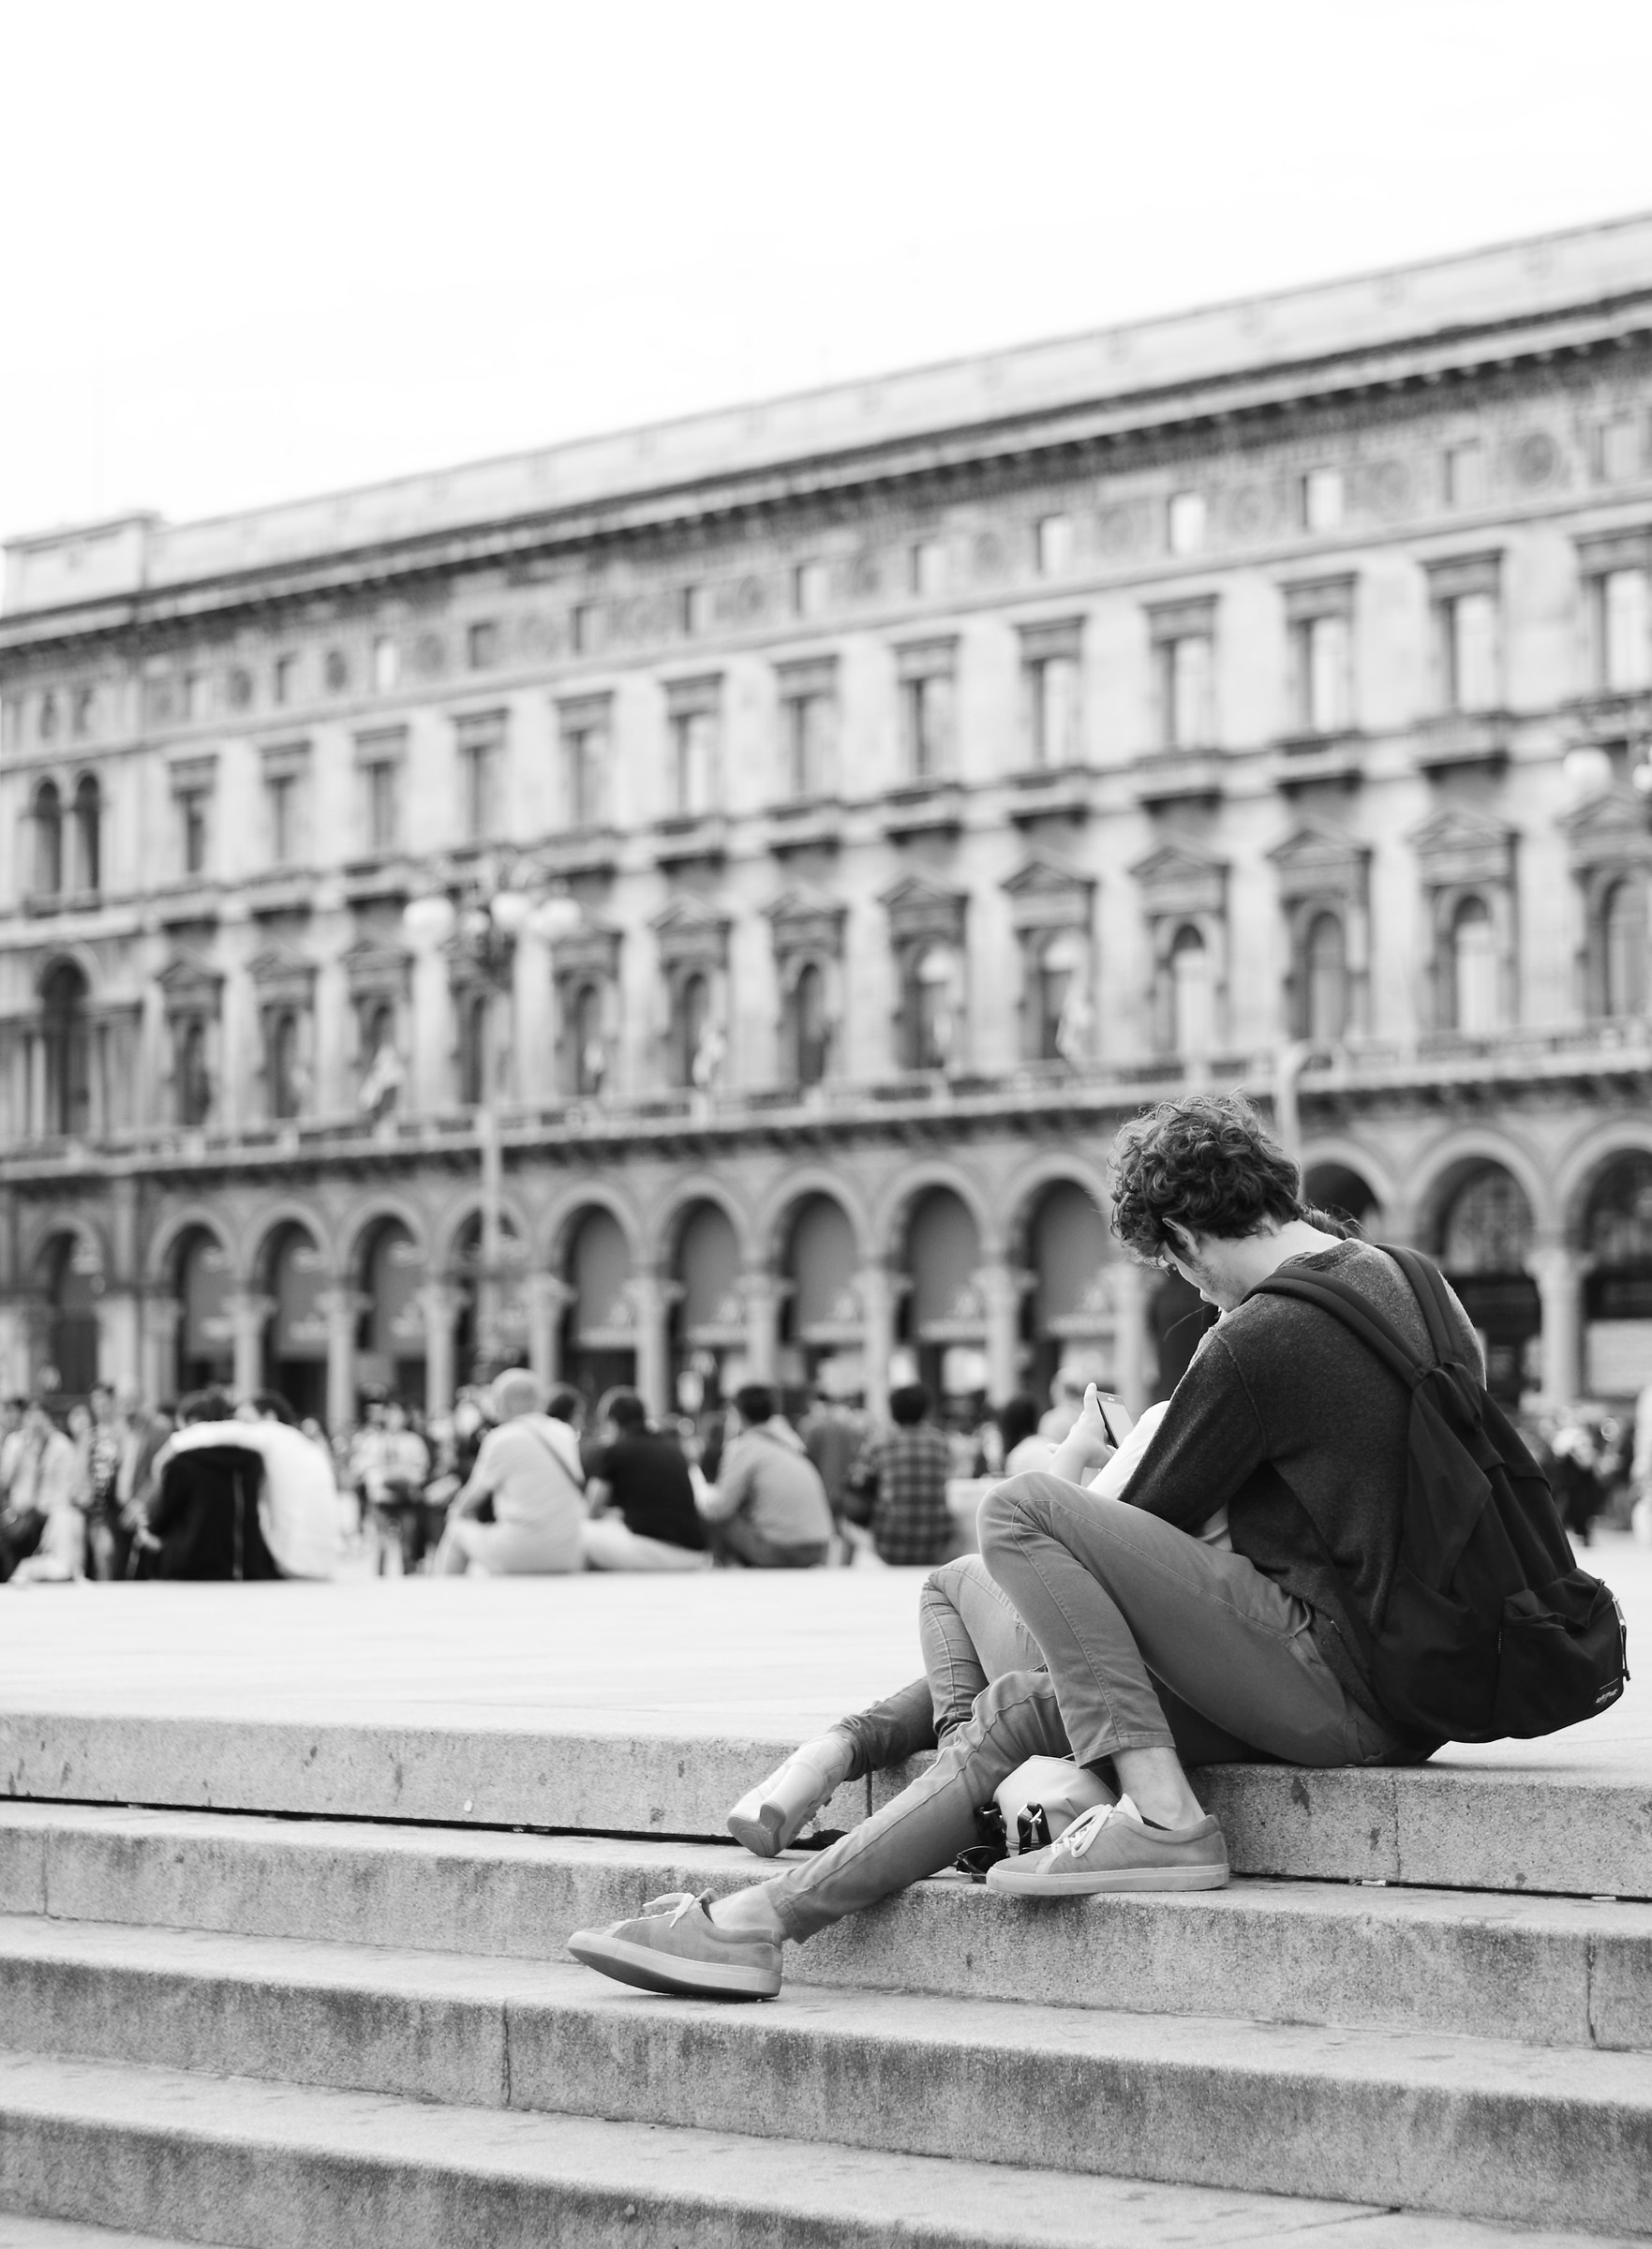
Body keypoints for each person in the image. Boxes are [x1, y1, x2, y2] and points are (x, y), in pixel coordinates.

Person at [568, 1092, 1467, 2002]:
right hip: (1413, 1685)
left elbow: (1110, 1541)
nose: (1193, 1295)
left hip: (1332, 1678)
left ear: (1186, 1241)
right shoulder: (1407, 1280)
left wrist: (1081, 1464)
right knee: (1014, 1709)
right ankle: (759, 1919)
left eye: (1175, 1271)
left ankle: (1162, 1816)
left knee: (1015, 1515)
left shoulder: (1257, 1338)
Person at [435, 1368, 588, 1575]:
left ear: (503, 1402)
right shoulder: (565, 1432)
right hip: (569, 1553)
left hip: (521, 1552)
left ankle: (443, 1600)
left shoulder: (502, 1438)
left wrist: (453, 1512)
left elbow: (471, 1498)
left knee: (457, 1531)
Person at [142, 1391, 281, 1581]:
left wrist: (149, 1529)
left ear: (192, 1422)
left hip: (189, 1563)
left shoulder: (183, 1462)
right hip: (243, 1563)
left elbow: (166, 1513)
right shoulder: (252, 1459)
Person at [698, 1385, 833, 1569]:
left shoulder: (745, 1447)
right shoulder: (791, 1443)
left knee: (715, 1517)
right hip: (819, 1548)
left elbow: (722, 1509)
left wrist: (702, 1501)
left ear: (738, 1414)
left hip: (783, 1551)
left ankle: (722, 1576)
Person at [583, 1388, 712, 1571]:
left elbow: (591, 1511)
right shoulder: (672, 1448)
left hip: (655, 1552)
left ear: (612, 1422)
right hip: (696, 1554)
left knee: (582, 1534)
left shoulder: (615, 1451)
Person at [845, 1383, 956, 1567]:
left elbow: (858, 1484)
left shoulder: (880, 1444)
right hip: (936, 1543)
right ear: (925, 1411)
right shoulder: (941, 1443)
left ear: (892, 1411)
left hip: (891, 1544)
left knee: (846, 1519)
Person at [3, 1400, 87, 1586]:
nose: (35, 1424)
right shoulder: (15, 1443)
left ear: (48, 1420)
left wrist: (49, 1508)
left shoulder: (61, 1446)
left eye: (39, 1419)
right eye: (30, 1419)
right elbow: (5, 1480)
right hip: (19, 1515)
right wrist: (20, 1452)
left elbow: (67, 1484)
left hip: (49, 1514)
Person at [799, 1386, 864, 1562]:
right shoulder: (850, 1428)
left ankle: (825, 1564)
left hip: (822, 1486)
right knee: (846, 1530)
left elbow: (807, 1458)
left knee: (825, 1530)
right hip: (846, 1487)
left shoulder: (811, 1427)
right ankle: (845, 1564)